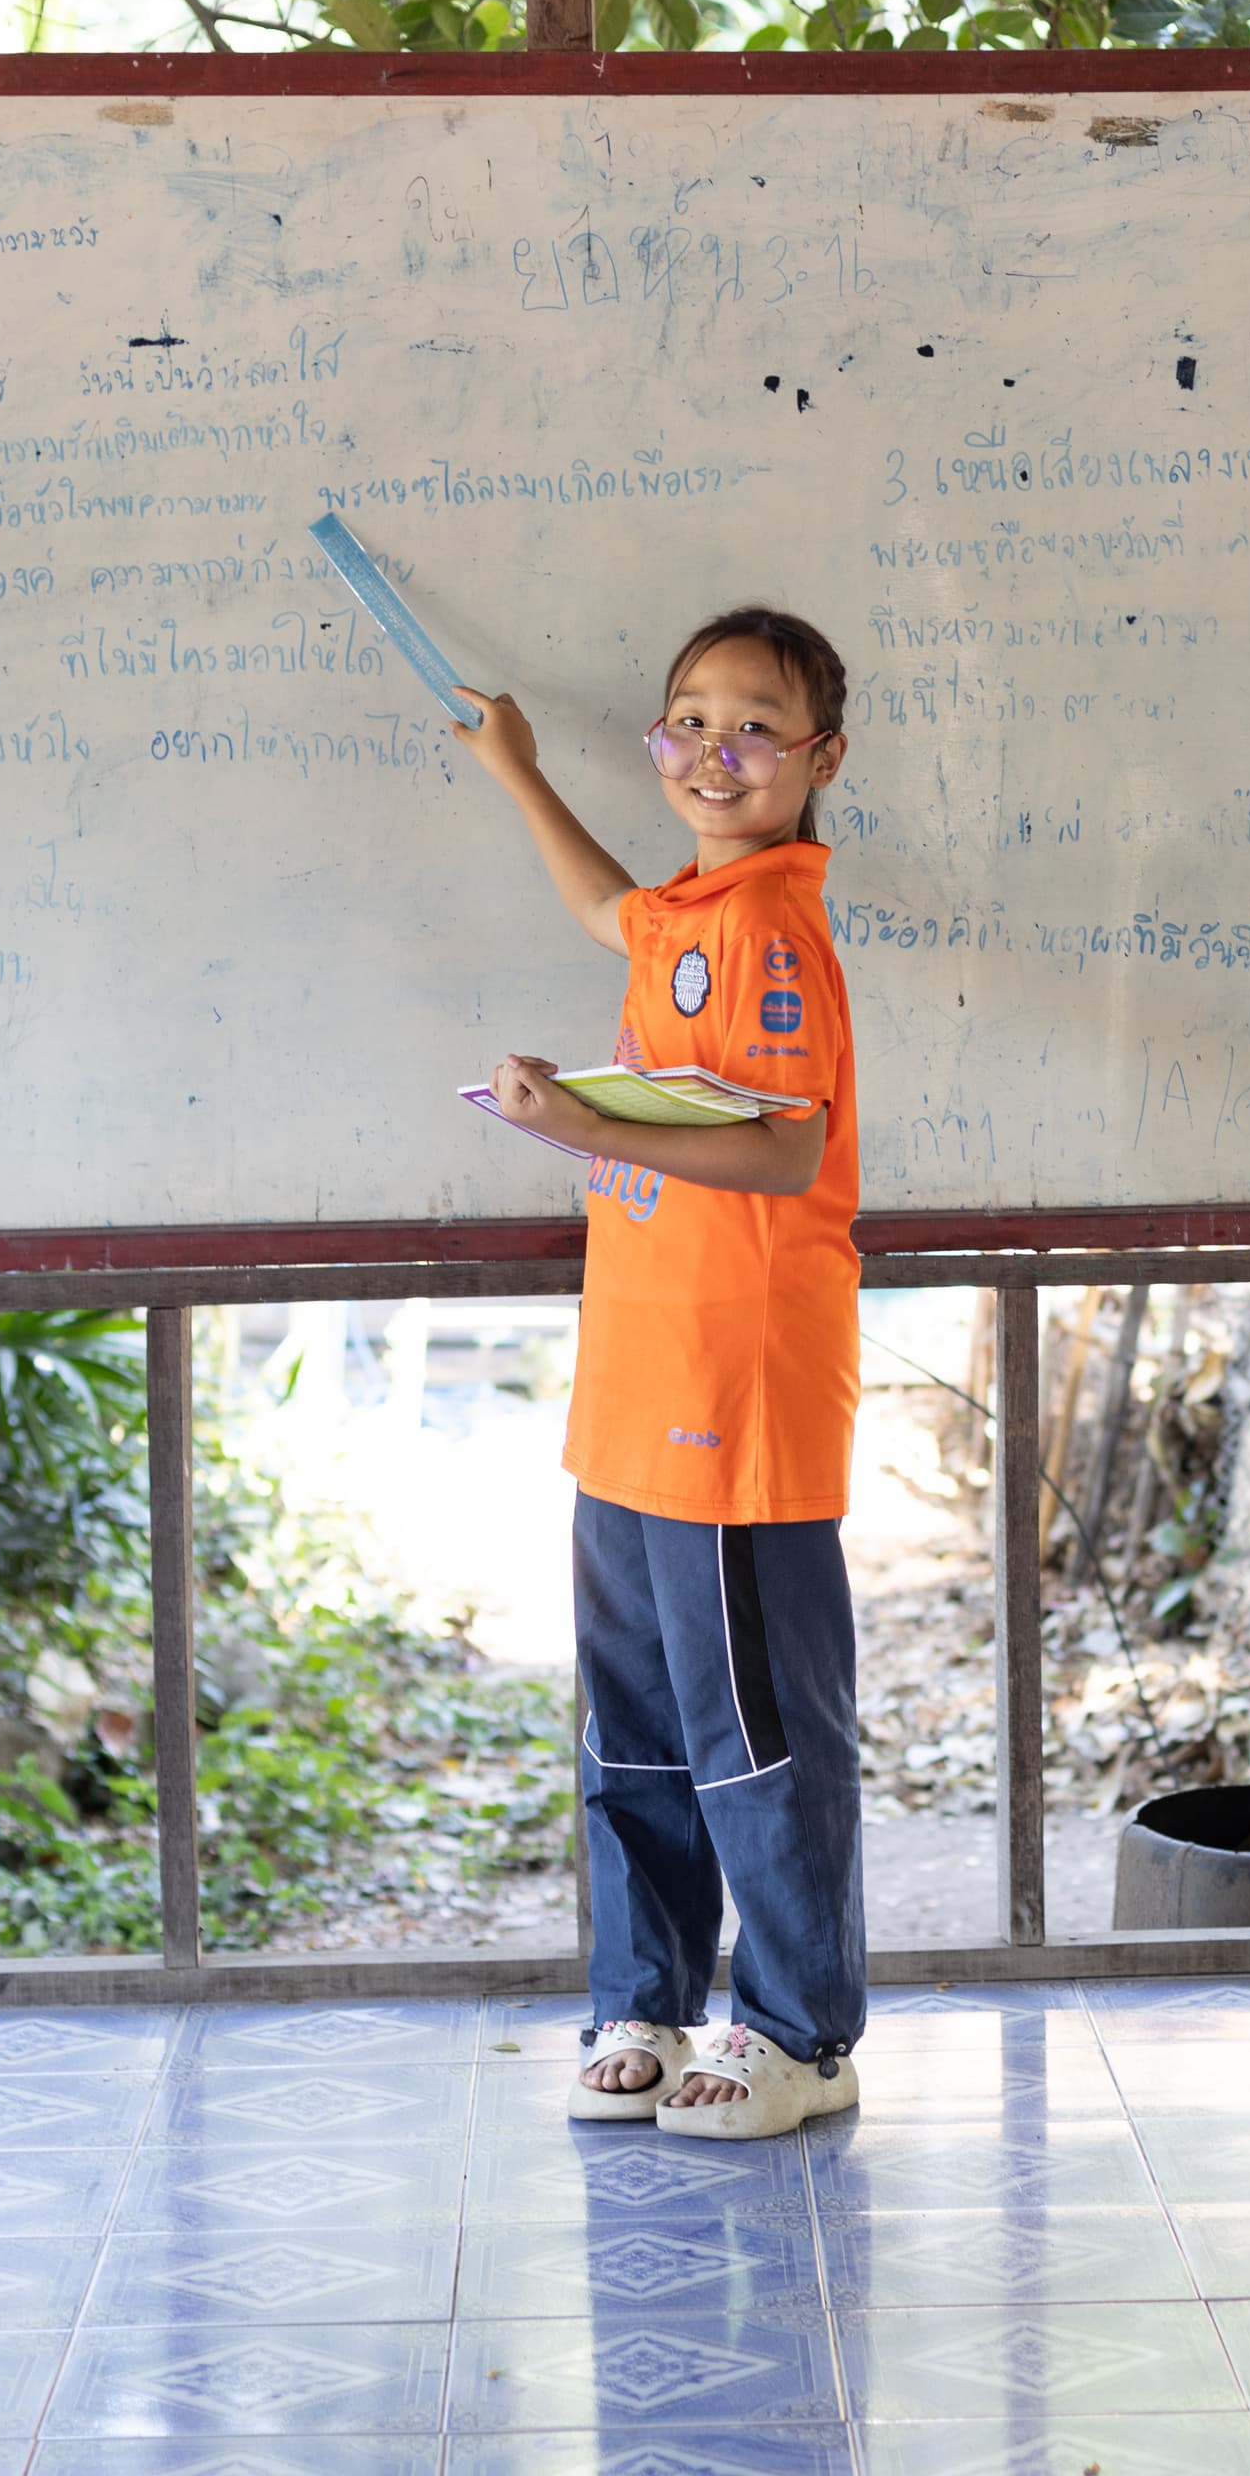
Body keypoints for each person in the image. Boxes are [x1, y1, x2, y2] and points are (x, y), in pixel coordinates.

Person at [450, 607, 871, 2141]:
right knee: (630, 1715)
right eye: (688, 720)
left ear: (820, 758)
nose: (714, 751)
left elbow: (785, 1145)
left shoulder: (772, 925)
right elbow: (609, 911)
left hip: (736, 1393)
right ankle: (645, 1991)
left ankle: (799, 2029)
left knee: (756, 1724)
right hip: (634, 1379)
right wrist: (518, 771)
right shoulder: (693, 909)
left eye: (754, 725)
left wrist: (585, 1131)